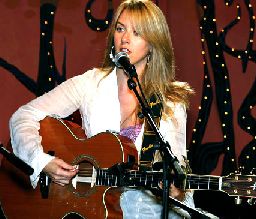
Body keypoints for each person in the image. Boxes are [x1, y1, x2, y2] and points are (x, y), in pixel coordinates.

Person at [9, 0, 196, 218]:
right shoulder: (89, 84)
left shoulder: (172, 101)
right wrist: (41, 161)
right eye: (120, 28)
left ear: (153, 43)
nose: (125, 39)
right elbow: (23, 116)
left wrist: (178, 192)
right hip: (93, 210)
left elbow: (178, 168)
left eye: (137, 32)